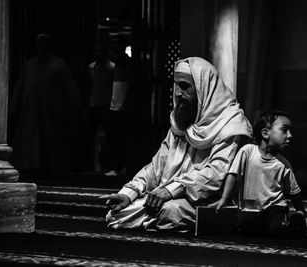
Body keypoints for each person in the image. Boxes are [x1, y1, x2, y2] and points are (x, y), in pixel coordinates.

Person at [100, 57, 252, 232]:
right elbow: (156, 166)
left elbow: (216, 173)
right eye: (176, 85)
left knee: (169, 211)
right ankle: (153, 217)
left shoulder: (232, 124)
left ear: (203, 89)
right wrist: (130, 192)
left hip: (209, 199)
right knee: (118, 213)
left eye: (185, 86)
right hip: (171, 195)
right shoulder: (181, 120)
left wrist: (172, 190)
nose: (178, 93)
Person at [209, 110, 307, 236]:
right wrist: (224, 199)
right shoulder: (247, 151)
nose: (290, 135)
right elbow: (233, 174)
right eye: (284, 130)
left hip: (275, 208)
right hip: (250, 209)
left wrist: (301, 211)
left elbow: (294, 192)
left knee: (276, 230)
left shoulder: (284, 164)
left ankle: (294, 221)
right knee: (244, 225)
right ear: (265, 133)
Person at [9, 33, 82, 174]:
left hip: (51, 112)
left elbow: (70, 88)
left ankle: (51, 168)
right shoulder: (29, 65)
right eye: (40, 44)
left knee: (50, 143)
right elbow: (20, 87)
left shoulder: (59, 64)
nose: (42, 47)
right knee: (31, 141)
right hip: (30, 112)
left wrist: (75, 107)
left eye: (45, 44)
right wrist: (13, 107)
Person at [85, 43, 115, 172]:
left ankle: (108, 166)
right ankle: (90, 165)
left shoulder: (112, 68)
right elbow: (88, 86)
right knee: (90, 137)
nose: (99, 55)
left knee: (108, 137)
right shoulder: (91, 67)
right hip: (93, 104)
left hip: (106, 105)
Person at [105, 36, 131, 176]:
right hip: (115, 105)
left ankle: (119, 166)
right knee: (115, 137)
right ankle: (118, 166)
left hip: (119, 106)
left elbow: (127, 85)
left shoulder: (124, 62)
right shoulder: (117, 63)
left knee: (119, 138)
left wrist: (124, 104)